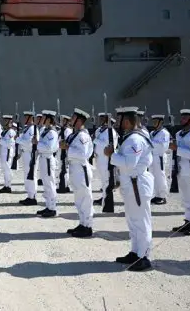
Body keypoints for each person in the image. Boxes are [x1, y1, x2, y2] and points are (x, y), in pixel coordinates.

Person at [104, 106, 154, 271]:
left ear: (126, 121)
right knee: (133, 221)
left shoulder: (135, 140)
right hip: (131, 183)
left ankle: (144, 256)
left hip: (137, 183)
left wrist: (111, 155)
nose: (117, 123)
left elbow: (129, 163)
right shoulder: (129, 137)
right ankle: (135, 251)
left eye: (119, 120)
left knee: (141, 221)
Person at [62, 108, 94, 237]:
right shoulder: (73, 134)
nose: (70, 119)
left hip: (81, 169)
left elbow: (83, 154)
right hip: (74, 169)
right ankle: (82, 223)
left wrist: (67, 147)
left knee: (85, 199)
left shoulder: (83, 136)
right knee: (79, 199)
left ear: (79, 120)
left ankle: (88, 226)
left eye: (73, 117)